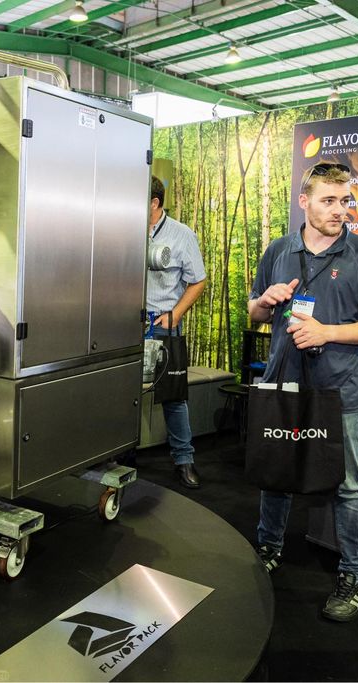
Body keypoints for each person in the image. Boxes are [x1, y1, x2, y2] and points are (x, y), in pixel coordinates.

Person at [247, 161, 358, 621]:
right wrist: (264, 301)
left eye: (344, 200)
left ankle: (353, 575)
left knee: (347, 486)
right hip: (283, 382)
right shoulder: (278, 250)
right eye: (328, 200)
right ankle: (267, 549)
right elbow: (254, 313)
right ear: (304, 202)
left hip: (338, 391)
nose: (339, 210)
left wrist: (327, 332)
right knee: (276, 474)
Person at [146, 176, 207, 489]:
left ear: (154, 203)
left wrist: (175, 315)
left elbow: (198, 280)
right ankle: (118, 456)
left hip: (162, 324)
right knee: (120, 392)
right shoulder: (123, 229)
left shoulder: (182, 235)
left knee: (173, 396)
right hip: (124, 325)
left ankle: (184, 460)